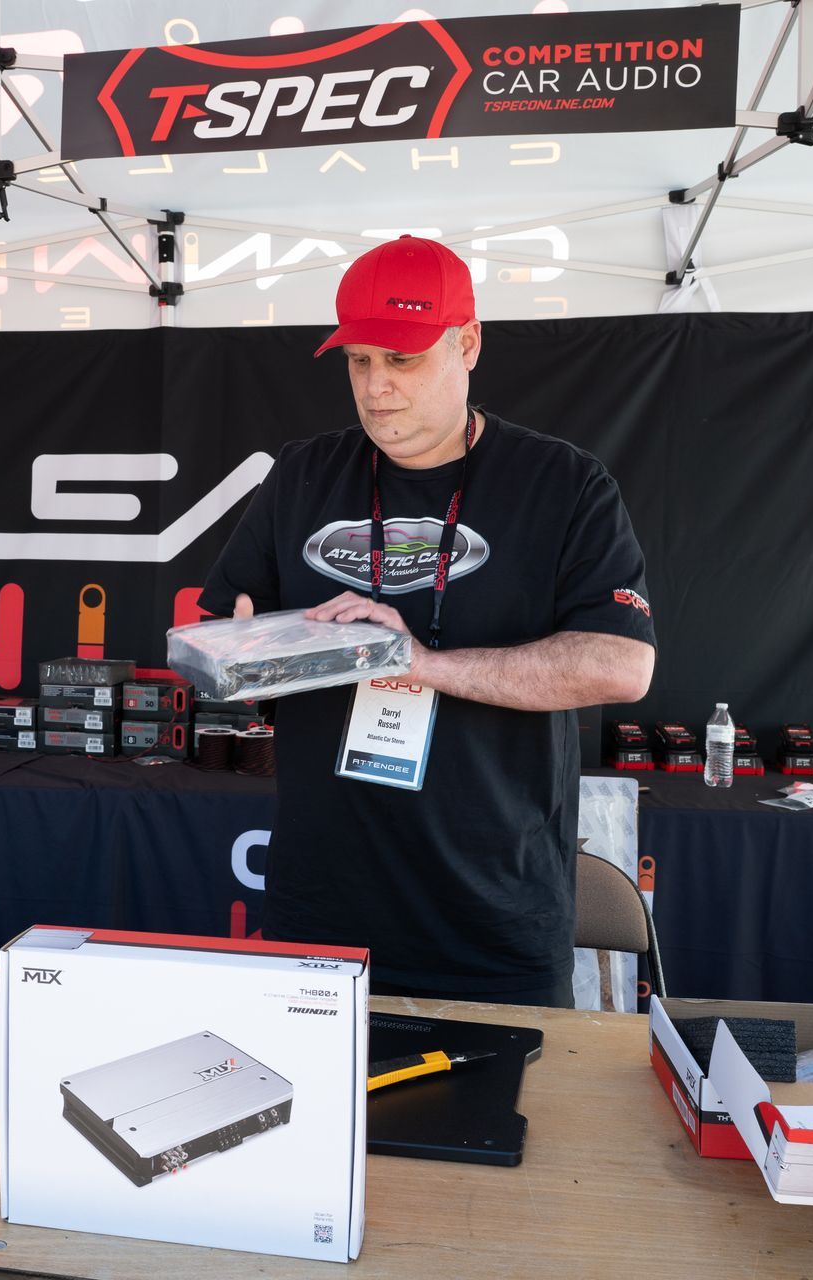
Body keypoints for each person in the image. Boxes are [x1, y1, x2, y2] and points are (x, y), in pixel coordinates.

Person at [199, 236, 656, 1007]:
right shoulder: (305, 474)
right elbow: (232, 627)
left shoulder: (563, 485)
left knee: (500, 1129)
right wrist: (240, 655)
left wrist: (421, 662)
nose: (377, 388)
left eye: (402, 361)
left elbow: (621, 664)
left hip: (492, 921)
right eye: (359, 362)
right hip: (323, 910)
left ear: (468, 343)